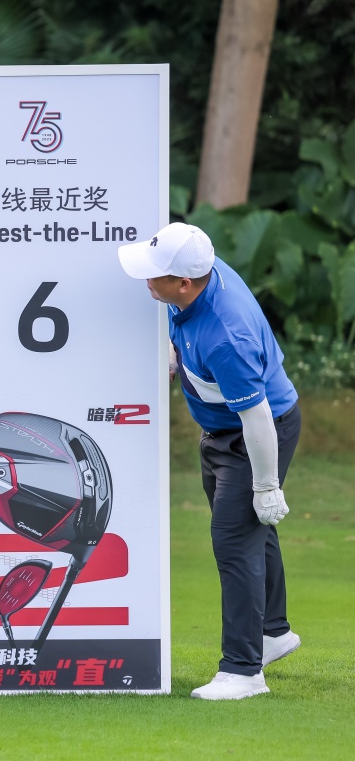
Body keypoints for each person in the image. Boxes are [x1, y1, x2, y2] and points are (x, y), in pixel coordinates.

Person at [118, 222, 301, 701]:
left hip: (255, 433)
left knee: (234, 540)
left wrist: (266, 485)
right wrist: (177, 358)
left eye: (155, 275)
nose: (147, 280)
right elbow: (185, 330)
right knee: (251, 531)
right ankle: (273, 632)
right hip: (222, 431)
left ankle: (243, 672)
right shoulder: (198, 278)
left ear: (184, 283)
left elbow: (257, 417)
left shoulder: (226, 335)